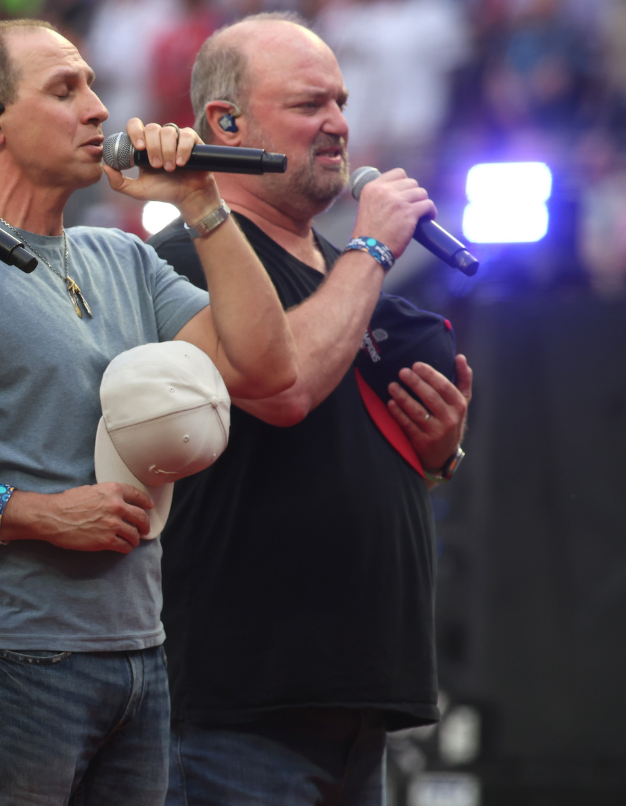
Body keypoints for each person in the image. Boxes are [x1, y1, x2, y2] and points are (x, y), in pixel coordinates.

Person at [0, 18, 298, 805]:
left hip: (139, 651)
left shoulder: (126, 258)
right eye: (65, 89)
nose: (100, 110)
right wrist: (36, 514)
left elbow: (264, 365)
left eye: (94, 85)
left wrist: (201, 201)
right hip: (4, 653)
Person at [145, 14, 472, 806]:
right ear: (226, 123)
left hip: (357, 709)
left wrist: (438, 453)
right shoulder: (187, 260)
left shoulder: (342, 276)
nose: (338, 125)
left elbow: (336, 436)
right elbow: (283, 387)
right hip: (240, 708)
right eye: (308, 105)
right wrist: (374, 250)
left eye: (341, 101)